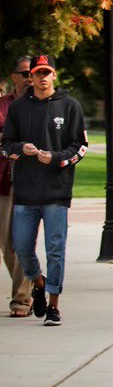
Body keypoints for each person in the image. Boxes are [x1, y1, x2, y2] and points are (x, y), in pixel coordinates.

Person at [2, 54, 86, 326]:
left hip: (56, 193)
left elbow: (80, 147)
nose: (41, 77)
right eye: (37, 73)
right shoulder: (18, 108)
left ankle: (54, 305)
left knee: (55, 250)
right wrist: (19, 150)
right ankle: (39, 283)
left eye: (46, 72)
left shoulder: (70, 106)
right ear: (31, 77)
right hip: (25, 192)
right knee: (22, 248)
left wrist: (57, 158)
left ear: (54, 75)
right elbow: (5, 145)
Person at [1, 57, 35, 317]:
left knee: (22, 241)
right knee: (7, 244)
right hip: (2, 181)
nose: (29, 78)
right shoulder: (3, 106)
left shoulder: (40, 106)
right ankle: (32, 279)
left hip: (28, 182)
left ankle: (22, 298)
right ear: (14, 77)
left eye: (32, 73)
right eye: (24, 73)